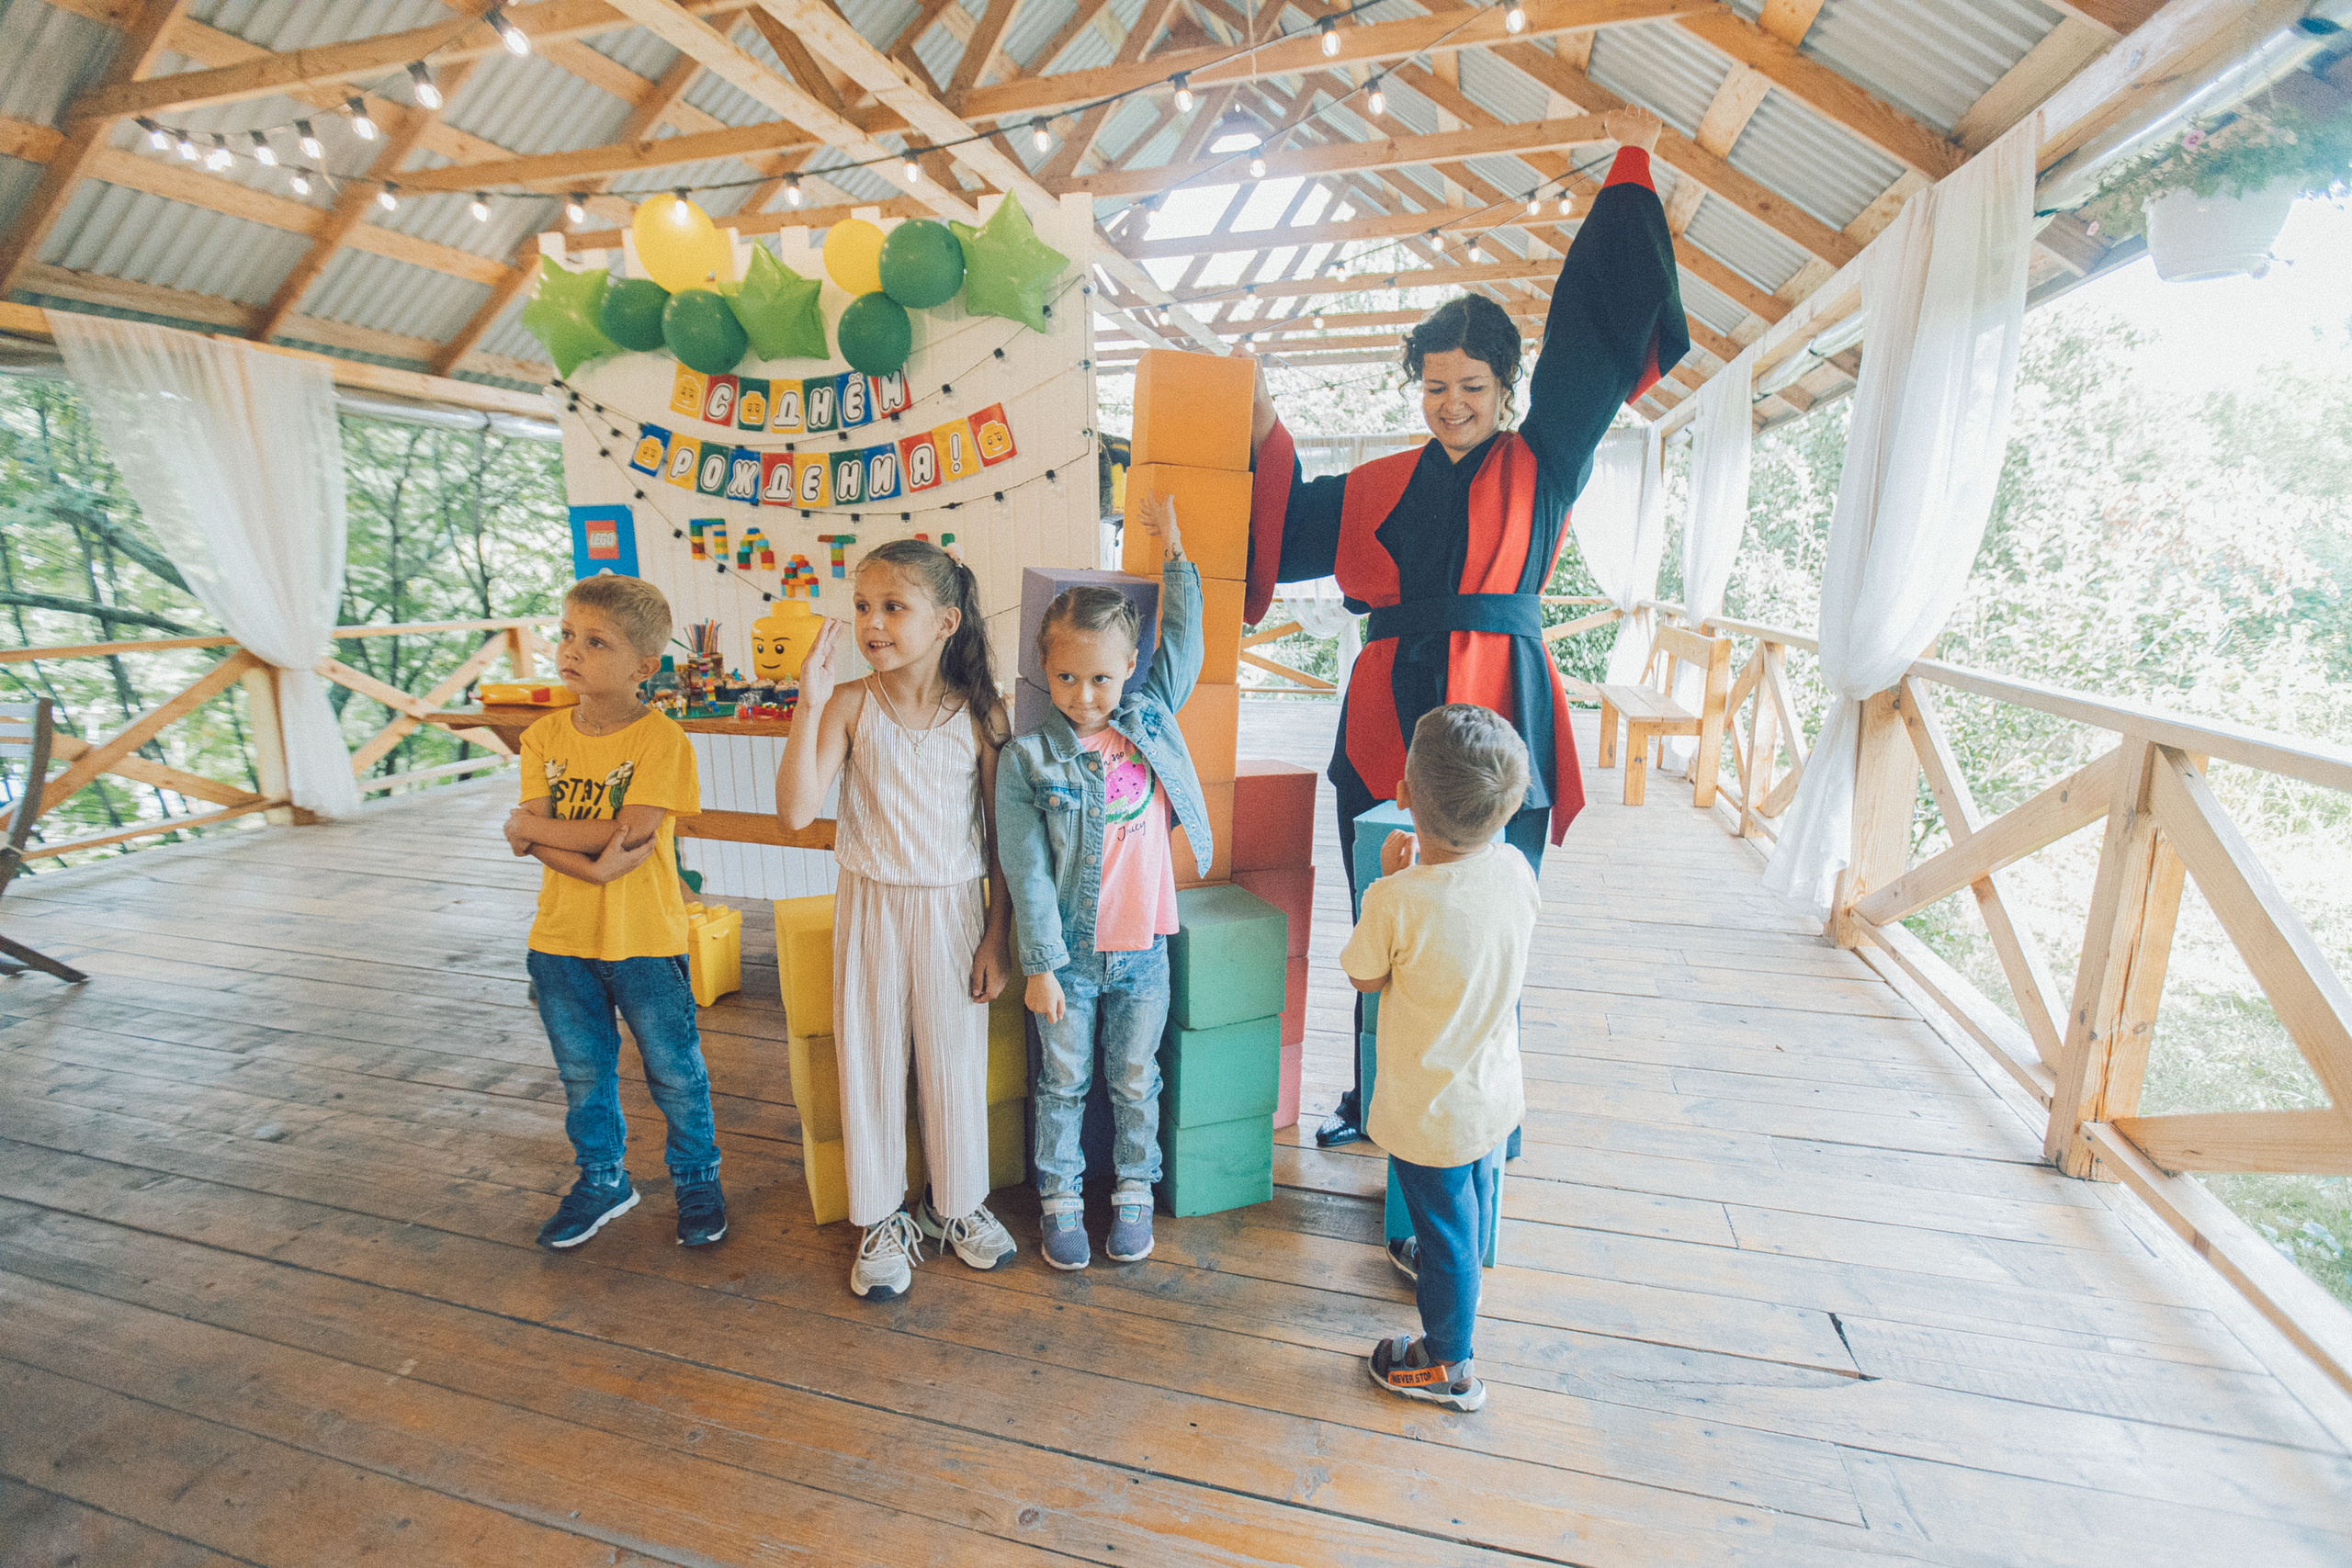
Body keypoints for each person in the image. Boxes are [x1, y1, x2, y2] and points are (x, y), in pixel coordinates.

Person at [1240, 104, 1686, 1147]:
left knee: (1488, 928)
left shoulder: (1544, 464)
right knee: (1382, 919)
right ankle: (1368, 1098)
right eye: (1434, 386)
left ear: (1505, 388)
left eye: (1472, 386)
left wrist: (1624, 192)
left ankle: (1485, 1112)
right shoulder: (1378, 483)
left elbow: (1590, 344)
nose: (1451, 403)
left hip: (1503, 713)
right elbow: (1285, 519)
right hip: (1384, 721)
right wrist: (1260, 422)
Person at [775, 538, 1019, 1301]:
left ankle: (958, 1206)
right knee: (870, 1060)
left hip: (954, 910)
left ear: (946, 620)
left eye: (892, 606)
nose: (872, 622)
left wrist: (996, 934)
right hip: (871, 907)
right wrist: (809, 700)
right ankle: (879, 1219)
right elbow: (794, 811)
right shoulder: (850, 704)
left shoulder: (980, 713)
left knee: (952, 1063)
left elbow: (1003, 834)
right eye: (862, 606)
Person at [997, 494, 1209, 1270]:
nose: (1084, 695)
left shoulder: (1148, 717)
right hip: (1072, 957)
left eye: (1100, 678)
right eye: (1065, 677)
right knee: (1062, 1079)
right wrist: (1042, 965)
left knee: (1132, 1076)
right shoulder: (1027, 762)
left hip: (1146, 947)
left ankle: (1131, 1191)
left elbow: (1183, 647)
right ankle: (1059, 1199)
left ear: (1127, 669)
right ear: (1044, 670)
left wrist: (1176, 553)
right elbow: (1026, 871)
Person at [505, 575, 726, 1251]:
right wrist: (593, 856)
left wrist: (532, 832)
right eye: (568, 634)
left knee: (675, 1070)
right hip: (560, 938)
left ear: (642, 666)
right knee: (582, 1074)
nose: (572, 649)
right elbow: (591, 840)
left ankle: (697, 1176)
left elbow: (604, 837)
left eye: (595, 641)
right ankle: (603, 1179)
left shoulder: (663, 741)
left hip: (645, 939)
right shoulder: (542, 735)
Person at [1341, 705, 1541, 1413]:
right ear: (1508, 808)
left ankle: (1449, 1364)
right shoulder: (1516, 870)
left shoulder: (1398, 900)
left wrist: (1386, 881)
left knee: (1446, 1218)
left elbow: (1365, 974)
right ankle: (1451, 1270)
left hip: (1432, 1110)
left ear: (1404, 794)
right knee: (1471, 1199)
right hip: (1491, 1091)